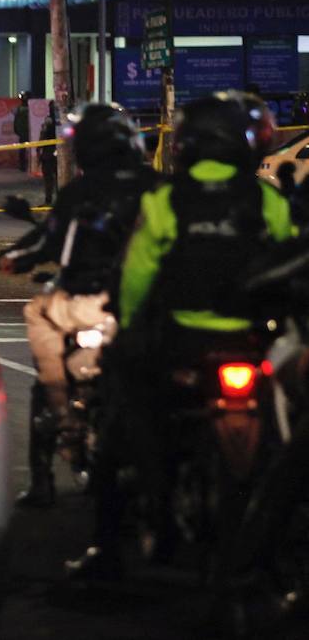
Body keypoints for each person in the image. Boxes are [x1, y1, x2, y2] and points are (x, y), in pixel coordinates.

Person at [69, 91, 296, 580]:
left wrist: (128, 323)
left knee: (116, 422)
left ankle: (108, 548)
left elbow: (135, 278)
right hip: (255, 345)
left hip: (178, 342)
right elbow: (288, 262)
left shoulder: (165, 200)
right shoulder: (268, 199)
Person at [0, 104, 159, 507]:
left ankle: (42, 482)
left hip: (84, 298)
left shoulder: (80, 194)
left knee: (47, 379)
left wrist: (14, 257)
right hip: (145, 303)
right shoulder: (157, 187)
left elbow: (46, 242)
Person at [38, 101, 58, 206]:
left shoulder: (49, 121)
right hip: (58, 152)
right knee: (56, 177)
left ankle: (48, 200)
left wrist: (39, 148)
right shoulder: (64, 120)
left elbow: (43, 136)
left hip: (49, 152)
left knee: (49, 178)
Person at [12, 91, 31, 172]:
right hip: (23, 133)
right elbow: (16, 121)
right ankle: (23, 166)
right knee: (23, 151)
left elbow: (16, 121)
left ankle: (26, 166)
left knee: (25, 150)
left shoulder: (31, 108)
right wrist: (16, 130)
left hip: (28, 132)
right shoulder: (20, 109)